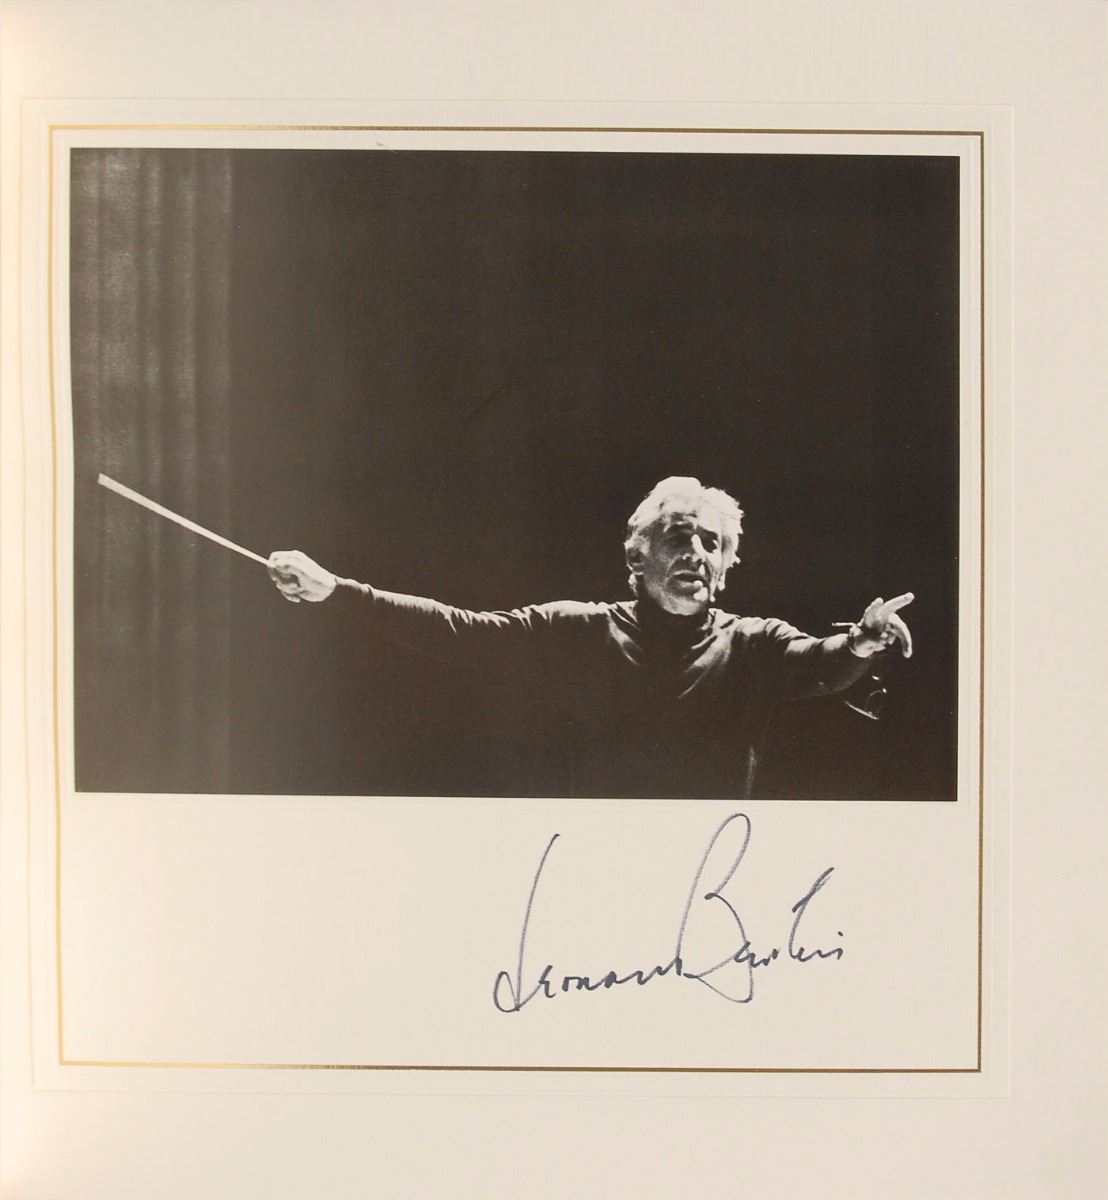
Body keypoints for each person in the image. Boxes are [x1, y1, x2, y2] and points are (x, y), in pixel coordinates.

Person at [266, 476, 913, 799]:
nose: (696, 552)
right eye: (678, 536)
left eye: (711, 543)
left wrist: (862, 640)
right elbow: (460, 631)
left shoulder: (751, 644)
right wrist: (338, 590)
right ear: (637, 555)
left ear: (725, 568)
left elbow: (819, 661)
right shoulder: (577, 629)